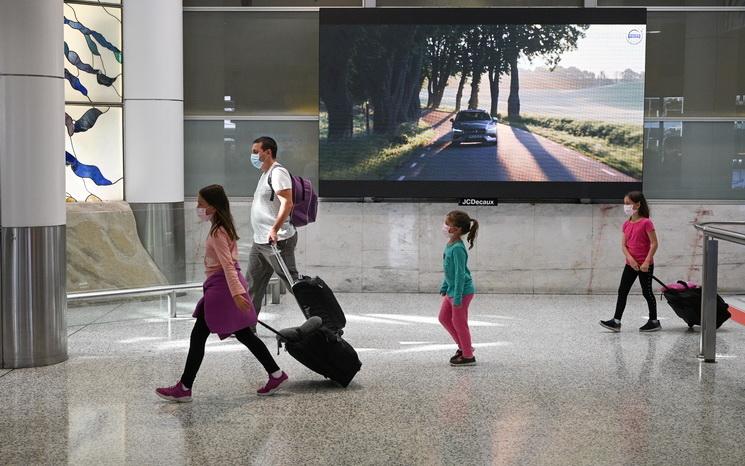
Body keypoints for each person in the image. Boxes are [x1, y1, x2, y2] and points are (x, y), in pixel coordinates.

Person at [156, 185, 288, 402]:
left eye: (201, 203)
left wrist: (237, 294)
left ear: (213, 206)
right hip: (222, 286)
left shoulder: (218, 231)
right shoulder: (222, 225)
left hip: (223, 288)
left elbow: (227, 265)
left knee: (199, 336)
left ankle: (185, 387)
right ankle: (276, 374)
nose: (198, 207)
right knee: (244, 334)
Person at [247, 136, 299, 319]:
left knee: (294, 284)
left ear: (268, 152)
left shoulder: (278, 173)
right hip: (260, 240)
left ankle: (324, 321)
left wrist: (274, 229)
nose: (252, 156)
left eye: (255, 152)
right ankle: (246, 326)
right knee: (252, 284)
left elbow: (288, 203)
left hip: (277, 240)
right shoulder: (265, 174)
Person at [600, 191, 661, 333]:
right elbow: (624, 245)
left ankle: (654, 321)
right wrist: (631, 259)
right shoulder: (627, 224)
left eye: (628, 203)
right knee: (622, 291)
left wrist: (646, 262)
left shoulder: (646, 222)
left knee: (647, 292)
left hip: (645, 265)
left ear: (638, 204)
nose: (625, 206)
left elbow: (654, 244)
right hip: (630, 264)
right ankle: (616, 321)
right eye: (625, 203)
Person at [439, 210, 479, 366]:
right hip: (452, 290)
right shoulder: (450, 244)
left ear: (457, 229)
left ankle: (468, 356)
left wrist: (457, 297)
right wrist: (445, 285)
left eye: (448, 224)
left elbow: (460, 274)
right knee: (443, 318)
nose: (444, 227)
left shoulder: (458, 249)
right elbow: (449, 269)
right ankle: (464, 346)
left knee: (459, 323)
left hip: (461, 292)